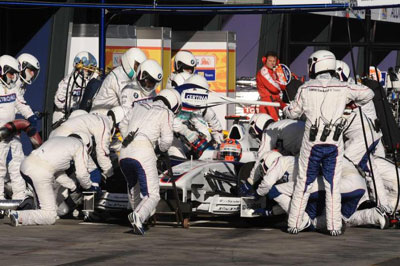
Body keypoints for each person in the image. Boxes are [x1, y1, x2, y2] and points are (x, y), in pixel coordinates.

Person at [283, 50, 375, 236]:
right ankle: (334, 226)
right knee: (332, 184)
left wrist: (286, 109)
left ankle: (293, 224)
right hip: (334, 143)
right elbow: (369, 93)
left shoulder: (306, 88)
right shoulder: (344, 87)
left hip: (312, 143)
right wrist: (350, 104)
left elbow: (292, 113)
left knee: (304, 183)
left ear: (316, 64)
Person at [119, 88, 182, 235]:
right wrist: (160, 149)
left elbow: (122, 124)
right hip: (144, 150)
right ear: (174, 104)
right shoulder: (166, 112)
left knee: (133, 186)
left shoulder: (139, 106)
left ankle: (137, 216)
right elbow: (167, 140)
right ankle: (139, 216)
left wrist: (129, 138)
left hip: (124, 150)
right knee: (152, 195)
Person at [8, 132, 95, 226]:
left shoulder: (57, 140)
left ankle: (25, 211)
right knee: (49, 215)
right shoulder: (80, 145)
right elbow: (82, 174)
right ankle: (19, 216)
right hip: (40, 173)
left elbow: (57, 173)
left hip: (26, 165)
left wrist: (73, 187)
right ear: (88, 145)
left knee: (41, 206)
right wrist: (88, 187)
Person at [336, 60, 390, 212]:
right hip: (366, 137)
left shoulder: (353, 91)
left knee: (349, 168)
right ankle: (379, 204)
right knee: (369, 171)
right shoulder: (351, 89)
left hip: (366, 137)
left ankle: (367, 204)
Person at [0, 55, 38, 200]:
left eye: (15, 74)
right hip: (0, 134)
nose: (13, 78)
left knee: (18, 162)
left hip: (12, 132)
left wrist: (31, 118)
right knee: (0, 166)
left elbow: (20, 104)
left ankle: (20, 195)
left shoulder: (12, 89)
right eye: (11, 74)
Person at [243, 113, 304, 191]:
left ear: (257, 124)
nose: (256, 136)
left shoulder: (269, 130)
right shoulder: (281, 126)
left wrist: (250, 182)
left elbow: (260, 158)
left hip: (305, 147)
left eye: (253, 132)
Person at [90, 48, 147, 114]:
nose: (139, 71)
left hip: (107, 117)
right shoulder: (119, 76)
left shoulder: (124, 74)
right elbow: (128, 104)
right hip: (100, 117)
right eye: (137, 66)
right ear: (130, 61)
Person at [52, 51, 98, 126]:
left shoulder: (86, 82)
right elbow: (58, 101)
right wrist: (74, 107)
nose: (89, 72)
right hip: (62, 120)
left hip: (76, 119)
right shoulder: (68, 80)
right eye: (88, 69)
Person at [256, 51, 287, 120]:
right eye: (270, 61)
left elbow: (284, 86)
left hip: (275, 101)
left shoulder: (275, 71)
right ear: (265, 60)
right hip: (268, 103)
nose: (272, 63)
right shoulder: (264, 71)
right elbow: (274, 88)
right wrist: (280, 83)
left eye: (274, 61)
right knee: (272, 125)